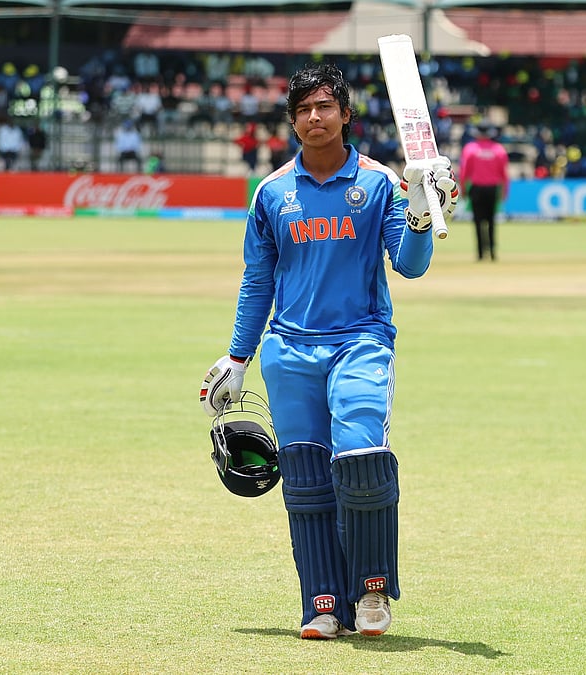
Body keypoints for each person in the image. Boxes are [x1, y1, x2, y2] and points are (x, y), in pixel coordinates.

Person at [199, 62, 458, 641]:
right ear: (292, 121)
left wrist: (419, 213)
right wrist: (238, 357)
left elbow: (411, 265)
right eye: (303, 109)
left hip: (361, 341)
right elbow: (257, 280)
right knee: (307, 479)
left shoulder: (379, 183)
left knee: (363, 459)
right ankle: (321, 602)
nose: (315, 118)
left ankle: (370, 594)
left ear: (346, 113)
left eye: (325, 107)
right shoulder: (271, 193)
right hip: (288, 350)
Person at [459, 124, 509, 261]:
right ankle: (492, 252)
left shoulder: (470, 149)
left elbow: (464, 173)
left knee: (478, 222)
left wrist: (463, 189)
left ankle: (481, 253)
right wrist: (505, 190)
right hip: (492, 189)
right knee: (491, 221)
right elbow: (504, 174)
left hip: (477, 189)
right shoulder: (499, 150)